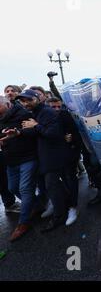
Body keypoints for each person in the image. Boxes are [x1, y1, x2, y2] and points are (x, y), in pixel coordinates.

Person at [10, 90, 73, 232]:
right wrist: (18, 133)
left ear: (37, 98)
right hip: (46, 156)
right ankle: (68, 206)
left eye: (28, 100)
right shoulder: (36, 113)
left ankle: (59, 217)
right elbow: (36, 131)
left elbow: (53, 133)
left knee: (52, 186)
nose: (25, 103)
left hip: (53, 156)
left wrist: (36, 126)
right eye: (23, 101)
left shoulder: (47, 112)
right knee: (54, 186)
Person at [0, 94, 38, 241]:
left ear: (7, 104)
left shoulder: (22, 113)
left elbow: (34, 130)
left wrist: (18, 133)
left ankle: (23, 222)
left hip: (27, 157)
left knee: (25, 188)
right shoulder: (1, 118)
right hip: (11, 160)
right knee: (13, 188)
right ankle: (35, 204)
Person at [46, 97, 82, 226]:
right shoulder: (43, 118)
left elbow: (75, 134)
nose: (57, 109)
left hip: (68, 154)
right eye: (53, 107)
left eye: (58, 107)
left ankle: (73, 207)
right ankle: (61, 205)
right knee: (58, 182)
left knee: (70, 178)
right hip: (53, 156)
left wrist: (72, 147)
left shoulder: (65, 115)